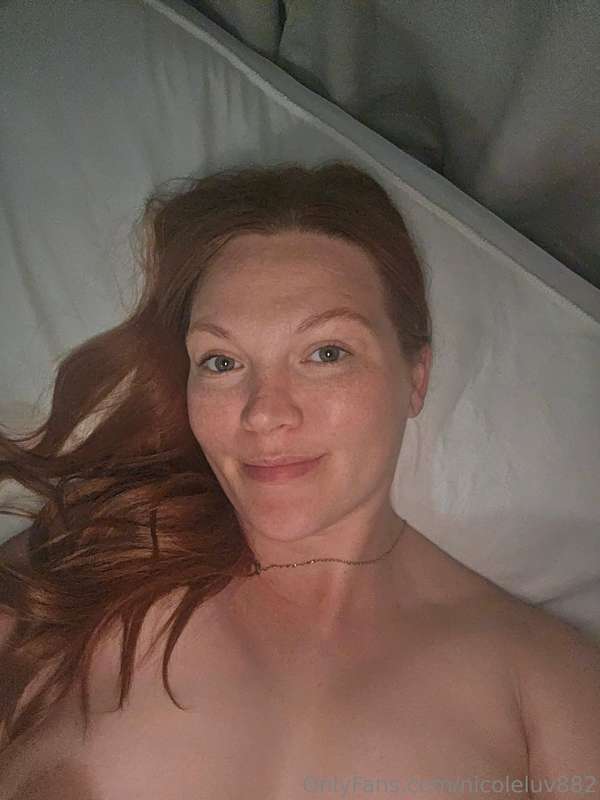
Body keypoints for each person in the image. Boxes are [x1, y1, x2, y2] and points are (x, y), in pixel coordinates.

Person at [0, 160, 598, 799]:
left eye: (326, 353)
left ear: (415, 377)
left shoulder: (546, 682)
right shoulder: (78, 573)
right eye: (222, 362)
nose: (264, 413)